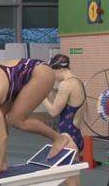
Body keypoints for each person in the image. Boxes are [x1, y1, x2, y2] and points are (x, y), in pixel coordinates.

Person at [43, 54, 86, 186]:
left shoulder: (65, 85)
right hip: (76, 136)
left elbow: (53, 111)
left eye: (53, 72)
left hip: (67, 137)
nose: (53, 76)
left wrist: (42, 96)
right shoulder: (78, 81)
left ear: (60, 69)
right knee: (75, 179)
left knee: (70, 181)